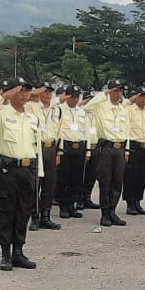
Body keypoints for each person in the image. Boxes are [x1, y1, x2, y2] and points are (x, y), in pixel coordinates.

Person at [0, 77, 42, 271]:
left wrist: (38, 172)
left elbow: (37, 146)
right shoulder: (2, 113)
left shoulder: (32, 117)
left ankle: (19, 251)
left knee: (24, 211)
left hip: (28, 169)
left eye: (26, 92)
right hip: (9, 169)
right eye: (20, 91)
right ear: (11, 93)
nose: (24, 95)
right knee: (7, 211)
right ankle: (5, 254)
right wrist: (3, 97)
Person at [85, 80, 130, 227]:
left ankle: (112, 211)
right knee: (105, 181)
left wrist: (127, 149)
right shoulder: (101, 106)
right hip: (106, 148)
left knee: (117, 181)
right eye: (115, 90)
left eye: (120, 91)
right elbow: (87, 107)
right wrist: (104, 93)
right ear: (110, 91)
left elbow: (127, 130)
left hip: (120, 148)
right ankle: (104, 213)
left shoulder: (123, 109)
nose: (118, 93)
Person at [27, 84, 60, 231]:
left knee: (50, 184)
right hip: (37, 148)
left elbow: (59, 131)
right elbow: (22, 98)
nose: (47, 95)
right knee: (35, 184)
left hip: (51, 147)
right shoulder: (32, 107)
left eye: (49, 92)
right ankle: (34, 216)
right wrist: (35, 92)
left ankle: (46, 216)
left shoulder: (56, 109)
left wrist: (59, 152)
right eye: (45, 92)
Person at [55, 86, 90, 219]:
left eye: (77, 97)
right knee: (63, 178)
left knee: (76, 179)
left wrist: (87, 151)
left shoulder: (82, 112)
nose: (75, 99)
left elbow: (86, 132)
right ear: (67, 96)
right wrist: (58, 151)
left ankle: (72, 205)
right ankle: (63, 206)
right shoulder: (59, 110)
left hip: (79, 147)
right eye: (72, 96)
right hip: (65, 148)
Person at [122, 86, 145, 216]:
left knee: (143, 176)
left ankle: (138, 201)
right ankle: (130, 203)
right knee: (130, 176)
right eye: (141, 96)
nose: (143, 99)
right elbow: (127, 129)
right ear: (136, 96)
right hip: (133, 146)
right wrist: (127, 150)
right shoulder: (128, 110)